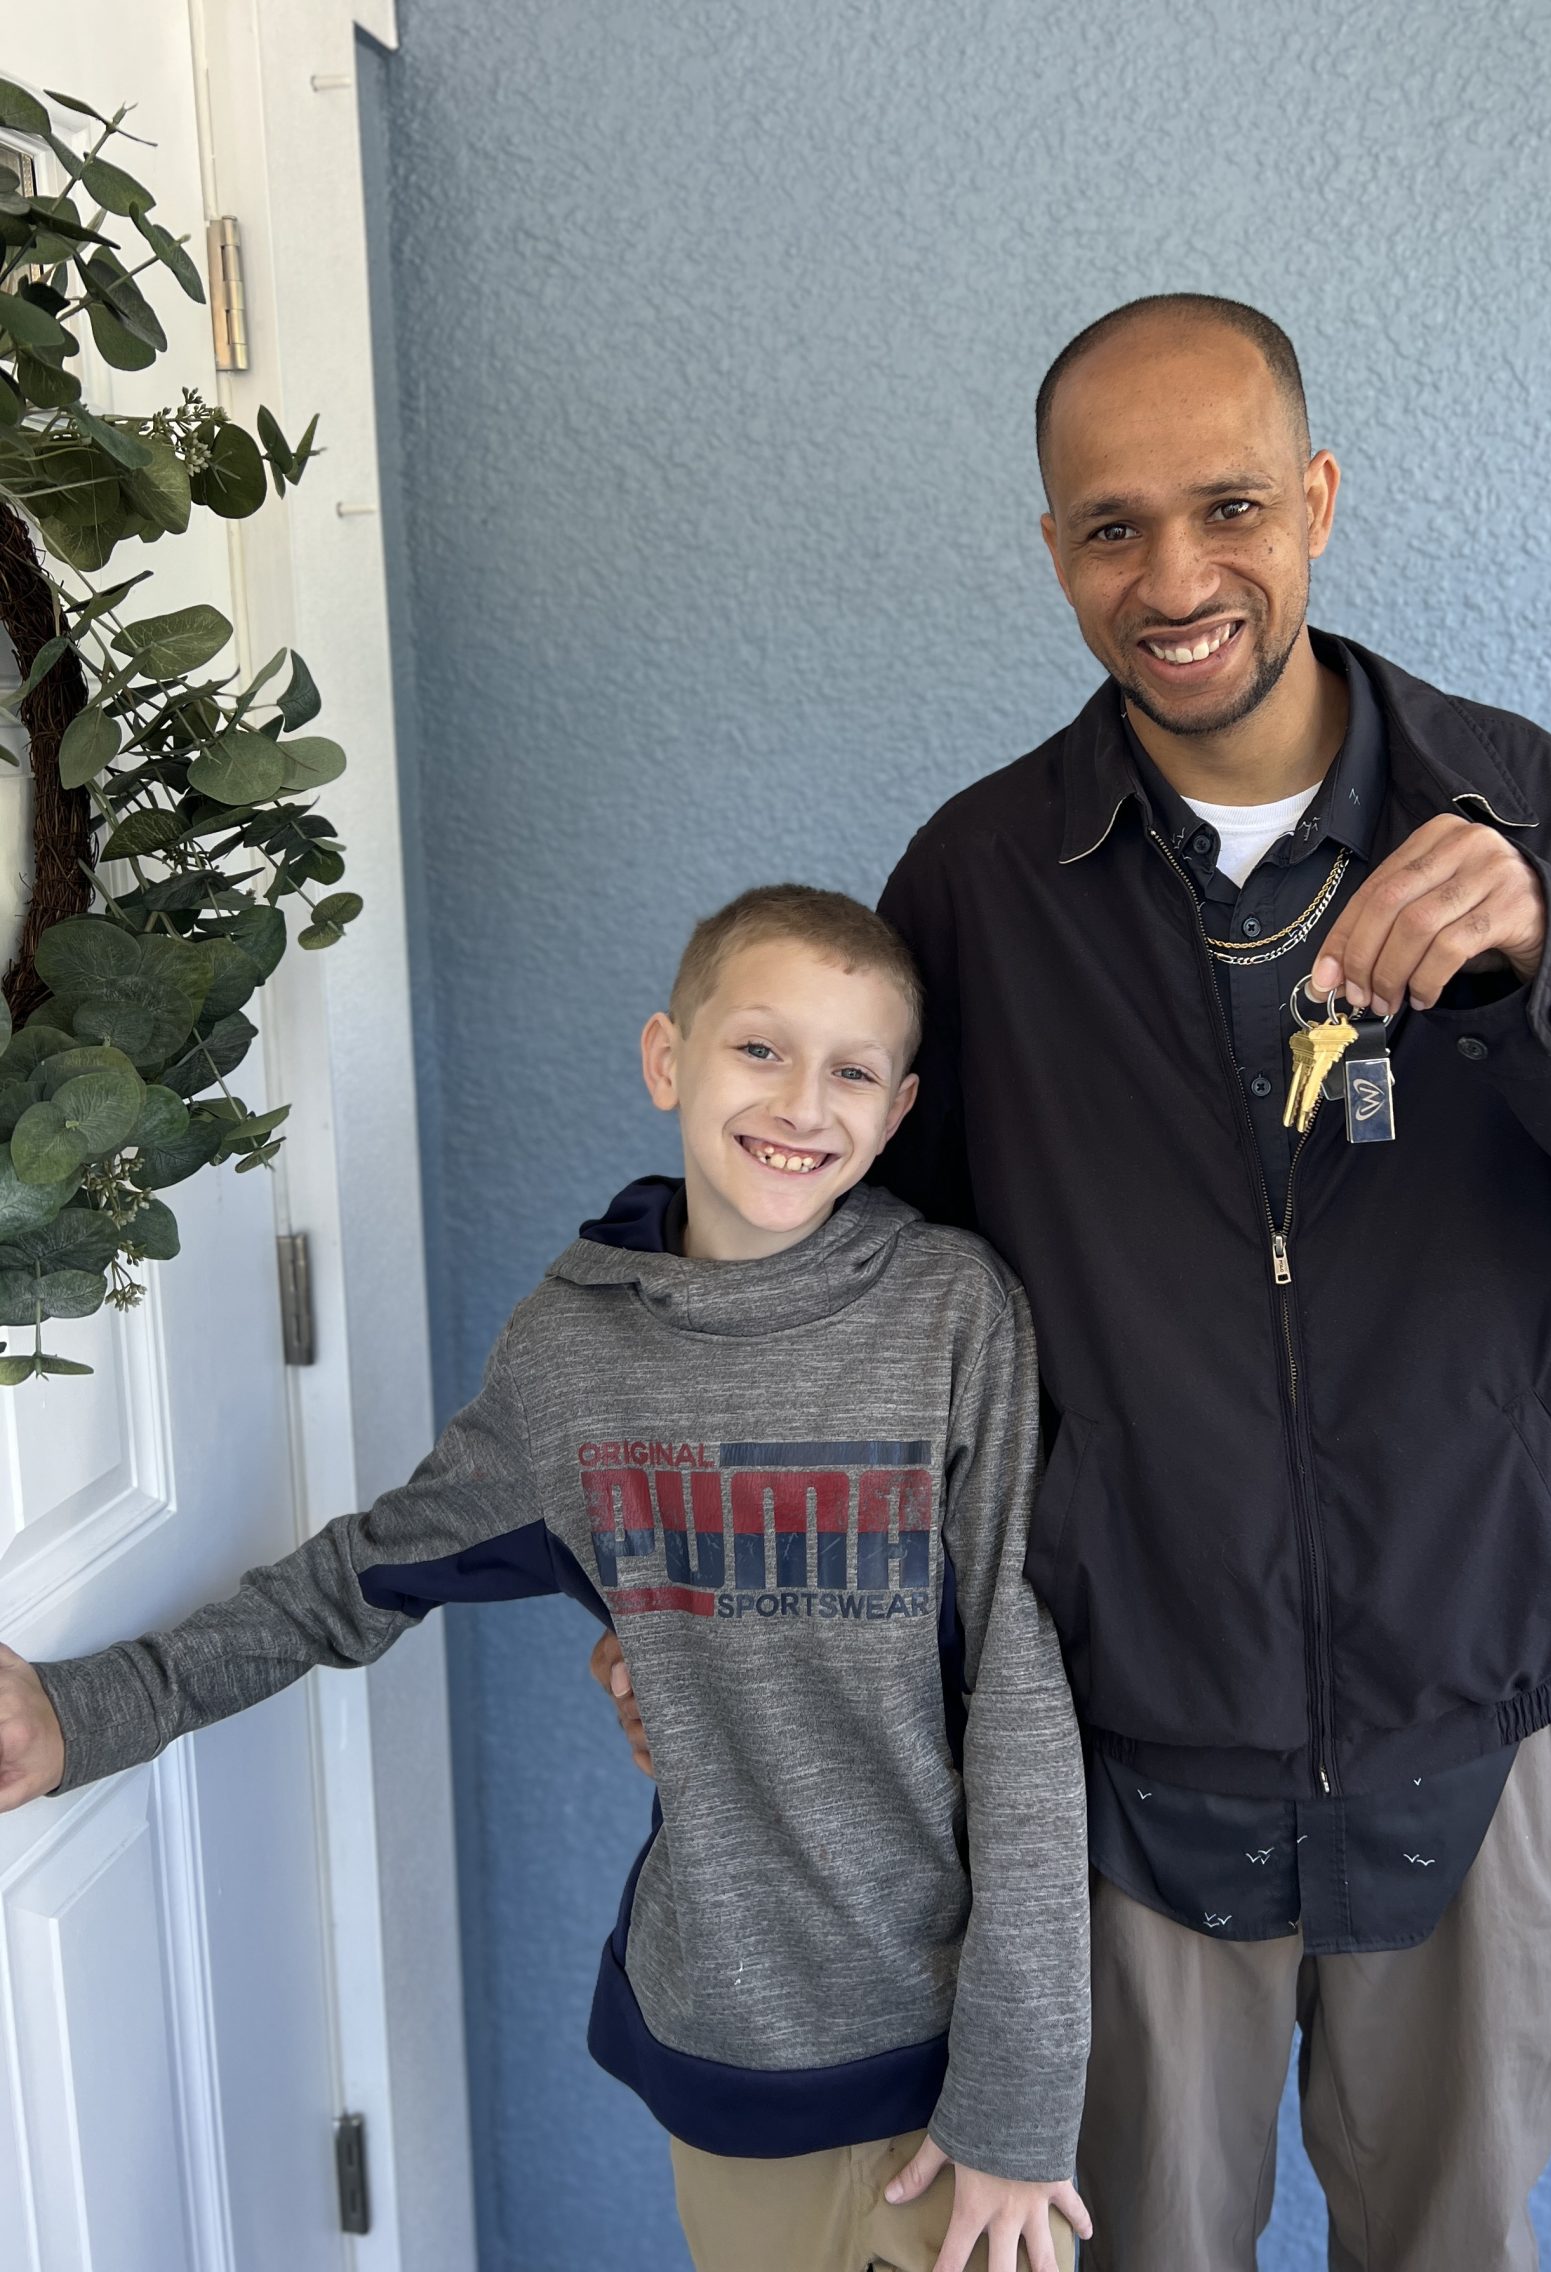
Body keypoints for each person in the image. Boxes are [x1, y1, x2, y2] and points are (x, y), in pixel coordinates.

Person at [578, 295, 1551, 2272]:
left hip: (1478, 1728)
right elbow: (862, 1302)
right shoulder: (981, 882)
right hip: (1113, 1770)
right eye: (1111, 526)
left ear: (1320, 499)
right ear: (1052, 549)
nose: (1175, 579)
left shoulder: (1542, 821)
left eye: (1229, 504)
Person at [0, 885, 1092, 2272]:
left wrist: (1021, 2097)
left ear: (898, 1106)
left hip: (966, 2055)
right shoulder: (572, 1359)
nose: (803, 1101)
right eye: (760, 1048)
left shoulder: (955, 1314)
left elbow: (1022, 1698)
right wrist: (87, 1707)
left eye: (854, 1070)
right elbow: (362, 1576)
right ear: (666, 1058)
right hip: (734, 2044)